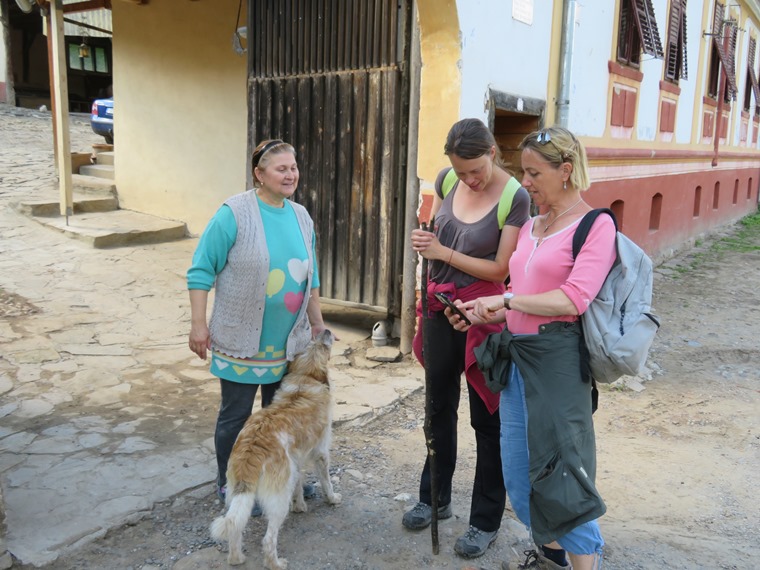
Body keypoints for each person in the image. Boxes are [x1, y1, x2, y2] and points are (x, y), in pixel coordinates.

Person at [449, 126, 616, 570]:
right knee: (521, 483)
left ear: (565, 171)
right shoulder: (531, 227)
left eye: (533, 172)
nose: (524, 182)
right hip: (516, 360)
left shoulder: (595, 225)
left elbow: (572, 299)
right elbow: (518, 298)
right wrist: (480, 311)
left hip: (558, 366)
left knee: (563, 480)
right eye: (522, 171)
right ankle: (553, 560)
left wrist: (503, 300)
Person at [406, 118, 531, 559]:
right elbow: (439, 233)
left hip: (486, 316)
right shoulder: (445, 180)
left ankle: (485, 520)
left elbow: (501, 269)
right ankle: (434, 496)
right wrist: (427, 241)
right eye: (461, 173)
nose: (469, 180)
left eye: (475, 170)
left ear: (493, 152)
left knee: (488, 420)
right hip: (442, 310)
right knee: (438, 405)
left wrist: (443, 252)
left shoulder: (516, 197)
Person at [187, 139, 326, 506]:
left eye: (293, 168)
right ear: (259, 174)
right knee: (236, 418)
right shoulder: (234, 213)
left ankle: (279, 484)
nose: (290, 174)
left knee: (279, 420)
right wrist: (198, 325)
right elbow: (201, 270)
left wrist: (317, 324)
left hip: (288, 341)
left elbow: (311, 277)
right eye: (281, 169)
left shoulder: (301, 216)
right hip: (241, 339)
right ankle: (232, 485)